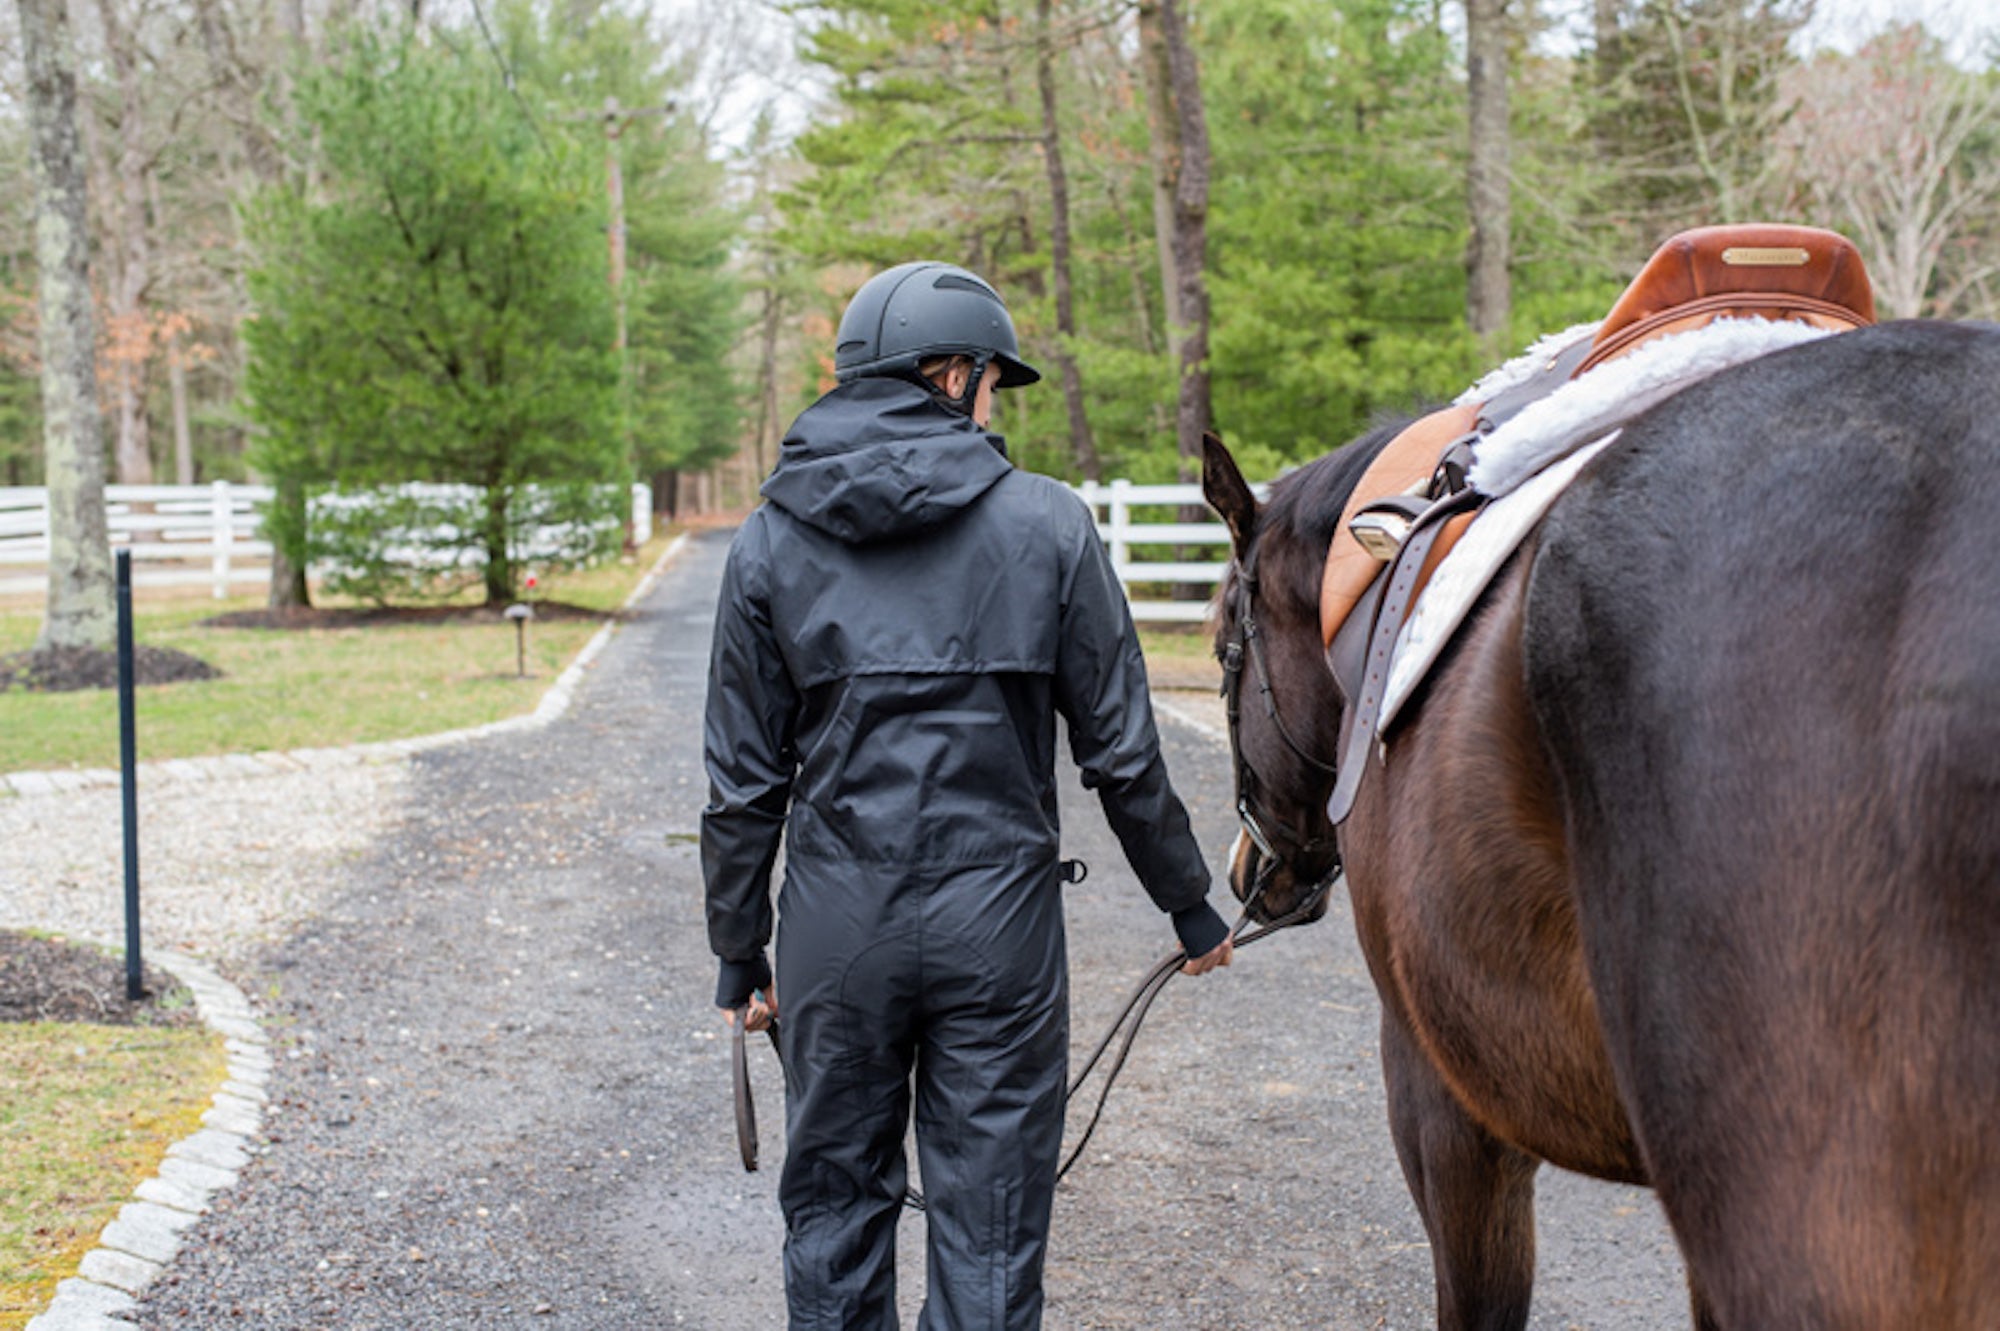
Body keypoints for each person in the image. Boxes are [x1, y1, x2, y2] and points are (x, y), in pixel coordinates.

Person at [701, 260, 1234, 1330]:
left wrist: (736, 953)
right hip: (997, 928)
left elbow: (741, 782)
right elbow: (1121, 748)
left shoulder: (768, 536)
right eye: (992, 381)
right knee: (987, 1224)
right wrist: (1188, 904)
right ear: (949, 375)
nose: (994, 406)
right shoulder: (1047, 525)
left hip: (835, 927)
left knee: (834, 1207)